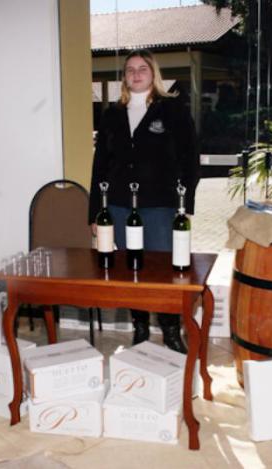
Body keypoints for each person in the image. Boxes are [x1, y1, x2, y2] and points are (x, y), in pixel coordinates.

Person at [88, 49, 200, 354]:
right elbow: (100, 166)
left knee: (165, 272)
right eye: (130, 70)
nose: (136, 74)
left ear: (153, 74)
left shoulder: (173, 110)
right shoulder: (111, 115)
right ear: (124, 77)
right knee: (131, 270)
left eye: (142, 69)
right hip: (119, 206)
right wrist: (95, 212)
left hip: (160, 206)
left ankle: (171, 330)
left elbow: (190, 160)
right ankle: (140, 329)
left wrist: (185, 206)